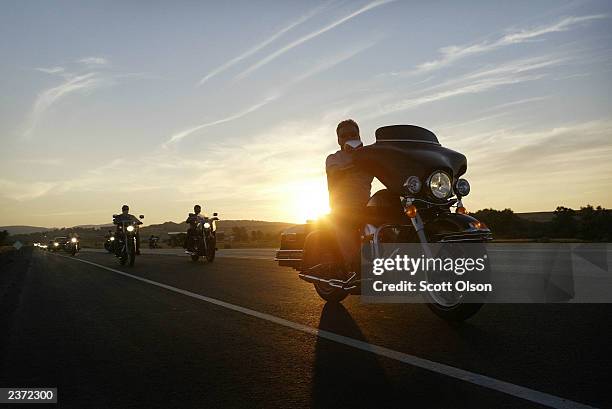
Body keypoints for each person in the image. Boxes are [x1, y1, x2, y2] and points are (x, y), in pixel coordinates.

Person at [325, 119, 373, 276]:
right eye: (344, 136)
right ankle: (354, 266)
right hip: (342, 209)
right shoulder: (333, 158)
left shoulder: (369, 156)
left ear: (359, 135)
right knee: (344, 222)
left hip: (366, 206)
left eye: (353, 134)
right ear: (338, 140)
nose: (349, 137)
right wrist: (357, 161)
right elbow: (335, 173)